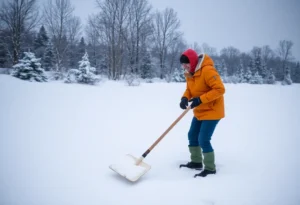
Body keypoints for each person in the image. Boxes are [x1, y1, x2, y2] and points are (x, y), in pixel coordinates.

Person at [178, 48, 225, 177]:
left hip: (212, 110)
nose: (185, 66)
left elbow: (220, 89)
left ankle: (210, 168)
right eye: (183, 64)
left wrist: (201, 99)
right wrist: (184, 98)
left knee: (203, 139)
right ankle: (196, 162)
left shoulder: (207, 70)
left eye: (186, 63)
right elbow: (189, 89)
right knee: (192, 135)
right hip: (200, 110)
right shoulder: (189, 73)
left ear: (193, 61)